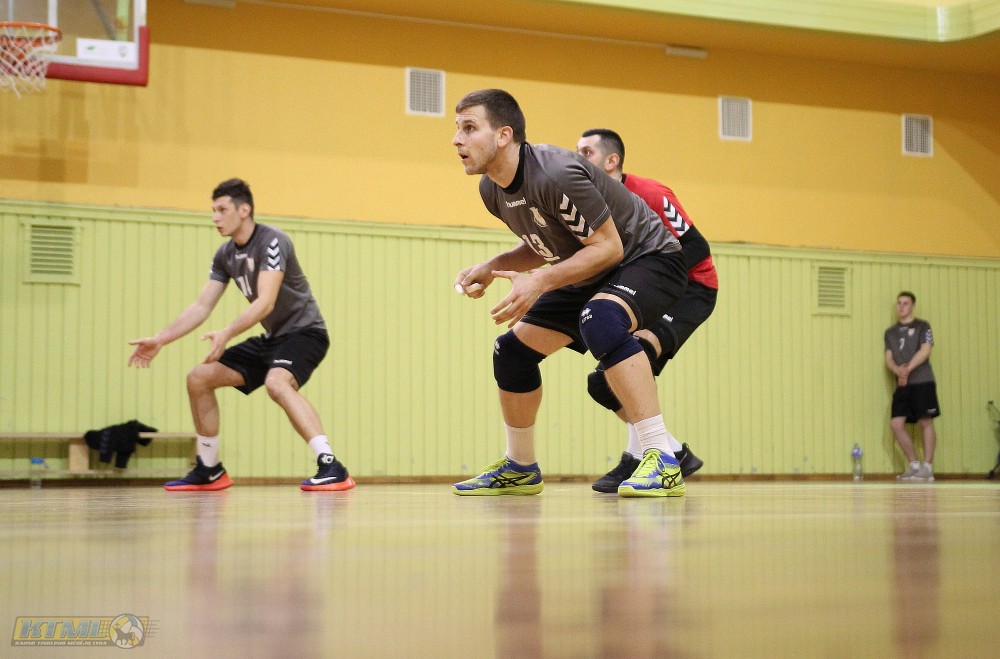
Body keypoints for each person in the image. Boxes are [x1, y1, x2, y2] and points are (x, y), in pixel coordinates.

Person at [451, 89, 689, 497]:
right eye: (457, 129)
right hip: (593, 267)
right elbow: (546, 240)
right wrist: (493, 266)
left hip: (650, 258)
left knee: (601, 319)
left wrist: (541, 281)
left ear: (504, 135)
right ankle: (520, 467)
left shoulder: (555, 173)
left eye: (469, 128)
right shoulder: (492, 190)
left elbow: (609, 247)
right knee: (511, 352)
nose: (457, 139)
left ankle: (663, 458)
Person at [127, 178, 355, 492]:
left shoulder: (273, 241)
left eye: (222, 210)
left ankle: (331, 466)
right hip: (273, 339)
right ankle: (210, 469)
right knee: (199, 378)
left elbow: (265, 302)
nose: (215, 217)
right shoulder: (225, 255)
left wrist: (227, 333)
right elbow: (202, 305)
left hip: (305, 333)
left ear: (244, 210)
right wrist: (160, 339)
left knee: (277, 382)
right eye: (213, 210)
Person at [576, 128, 718, 492]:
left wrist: (648, 281)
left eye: (586, 152)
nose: (578, 158)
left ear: (612, 160)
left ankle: (642, 457)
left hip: (691, 288)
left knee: (631, 355)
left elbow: (697, 247)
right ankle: (667, 452)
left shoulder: (651, 193)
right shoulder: (587, 204)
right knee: (602, 383)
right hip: (649, 287)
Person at [884, 291, 939, 482]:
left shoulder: (923, 326)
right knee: (896, 424)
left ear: (913, 306)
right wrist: (897, 370)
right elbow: (889, 358)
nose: (901, 306)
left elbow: (926, 350)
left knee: (925, 422)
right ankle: (914, 465)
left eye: (905, 303)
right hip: (903, 383)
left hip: (922, 381)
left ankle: (927, 468)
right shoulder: (890, 332)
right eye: (899, 303)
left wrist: (907, 369)